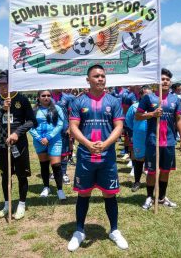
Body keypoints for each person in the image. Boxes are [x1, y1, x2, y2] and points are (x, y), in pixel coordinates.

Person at [67, 65, 128, 251]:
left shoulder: (114, 101)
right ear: (88, 80)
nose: (100, 78)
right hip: (86, 156)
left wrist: (106, 144)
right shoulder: (78, 102)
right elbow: (73, 127)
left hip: (107, 156)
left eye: (103, 76)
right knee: (83, 193)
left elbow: (118, 127)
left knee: (110, 193)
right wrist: (87, 144)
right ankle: (79, 231)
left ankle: (114, 230)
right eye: (96, 76)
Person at [136, 68, 181, 210]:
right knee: (152, 171)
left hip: (169, 141)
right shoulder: (148, 98)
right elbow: (138, 116)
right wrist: (152, 114)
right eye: (162, 79)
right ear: (157, 81)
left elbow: (179, 119)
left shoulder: (175, 99)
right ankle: (149, 197)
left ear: (170, 82)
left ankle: (162, 197)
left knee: (165, 171)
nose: (165, 82)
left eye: (167, 80)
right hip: (153, 140)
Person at [0, 70, 37, 220]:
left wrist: (17, 133)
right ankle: (7, 204)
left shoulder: (22, 99)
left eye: (5, 84)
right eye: (0, 84)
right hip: (2, 144)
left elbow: (32, 121)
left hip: (19, 143)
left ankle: (21, 204)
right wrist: (1, 109)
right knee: (6, 175)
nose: (2, 87)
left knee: (22, 175)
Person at [30, 90, 66, 200]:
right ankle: (46, 187)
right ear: (38, 97)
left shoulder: (57, 108)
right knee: (44, 164)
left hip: (54, 140)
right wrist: (39, 138)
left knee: (56, 165)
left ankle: (59, 190)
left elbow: (60, 124)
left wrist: (49, 137)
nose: (46, 97)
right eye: (43, 95)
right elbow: (30, 125)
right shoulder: (34, 110)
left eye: (48, 95)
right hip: (39, 141)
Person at [125, 85, 151, 192]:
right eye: (145, 94)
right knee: (138, 159)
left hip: (152, 137)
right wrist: (137, 130)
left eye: (150, 94)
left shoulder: (154, 107)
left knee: (152, 159)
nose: (148, 97)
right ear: (140, 95)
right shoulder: (134, 107)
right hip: (139, 137)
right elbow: (128, 121)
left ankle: (152, 182)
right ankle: (137, 181)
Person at [51, 89, 76, 184]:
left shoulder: (67, 98)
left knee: (64, 152)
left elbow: (71, 114)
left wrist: (70, 127)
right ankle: (55, 172)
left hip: (64, 129)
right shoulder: (48, 96)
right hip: (51, 129)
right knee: (52, 151)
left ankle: (64, 173)